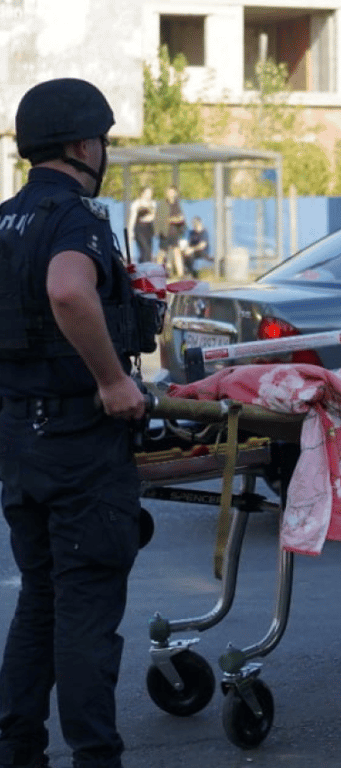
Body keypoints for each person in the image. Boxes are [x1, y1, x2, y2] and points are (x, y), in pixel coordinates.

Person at [0, 78, 150, 768]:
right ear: (86, 146)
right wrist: (114, 381)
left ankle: (17, 748)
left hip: (20, 441)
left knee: (41, 598)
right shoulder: (74, 219)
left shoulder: (6, 220)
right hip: (77, 444)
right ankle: (96, 757)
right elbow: (67, 289)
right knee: (86, 606)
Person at [156, 185, 185, 278]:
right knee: (162, 253)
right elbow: (163, 219)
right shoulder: (162, 204)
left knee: (177, 252)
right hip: (165, 232)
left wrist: (177, 220)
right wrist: (174, 219)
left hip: (174, 232)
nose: (172, 194)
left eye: (173, 192)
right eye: (170, 192)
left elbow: (181, 217)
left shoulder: (177, 204)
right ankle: (157, 272)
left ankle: (181, 274)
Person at [126, 185, 155, 264]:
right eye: (147, 193)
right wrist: (130, 231)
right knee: (144, 249)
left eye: (150, 193)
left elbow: (155, 217)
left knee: (149, 250)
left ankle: (146, 266)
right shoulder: (137, 204)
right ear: (142, 193)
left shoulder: (153, 204)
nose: (149, 195)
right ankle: (143, 266)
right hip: (140, 229)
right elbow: (132, 218)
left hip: (149, 229)